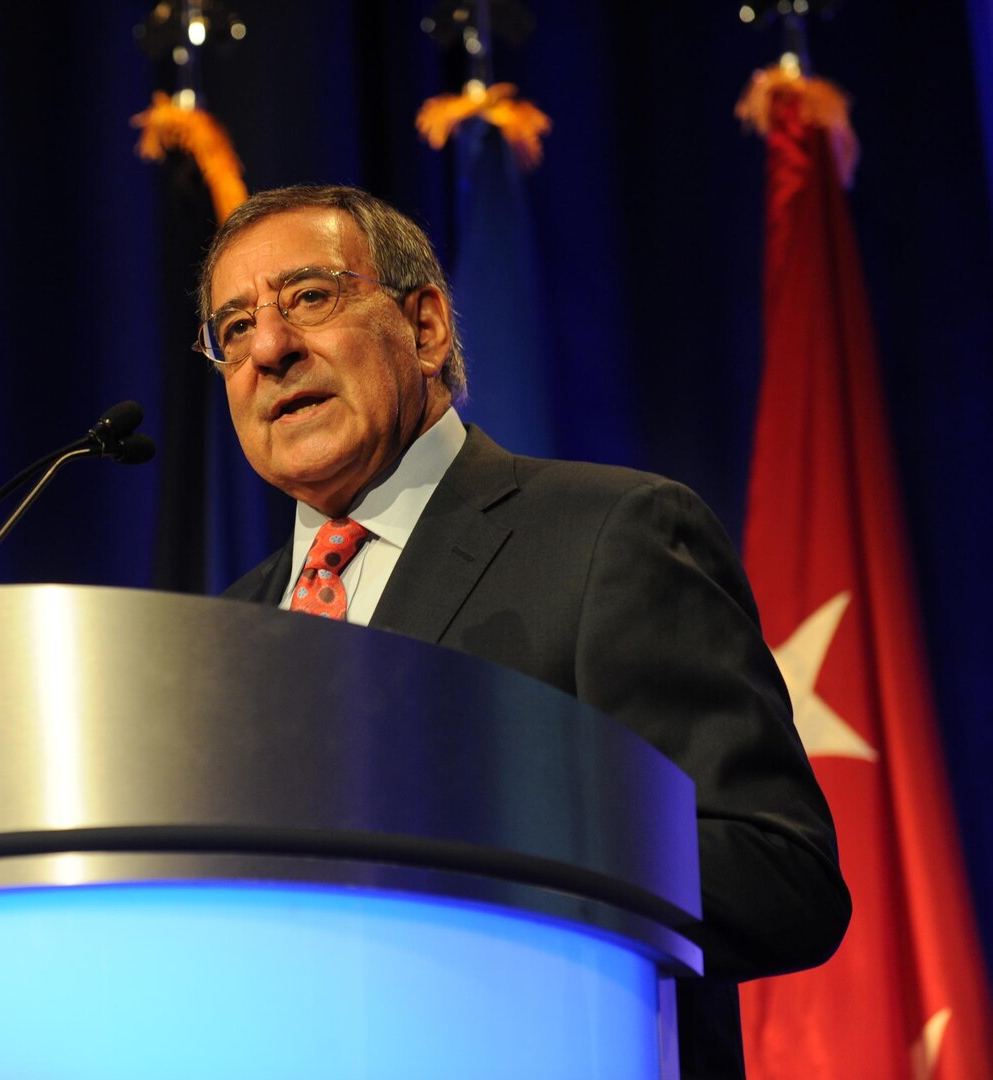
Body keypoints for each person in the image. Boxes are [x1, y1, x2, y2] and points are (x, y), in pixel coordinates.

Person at [202, 184, 849, 1078]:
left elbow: (780, 878)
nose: (268, 348)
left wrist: (481, 831)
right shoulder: (225, 634)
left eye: (309, 298)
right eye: (232, 328)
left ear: (425, 327)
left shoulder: (607, 534)